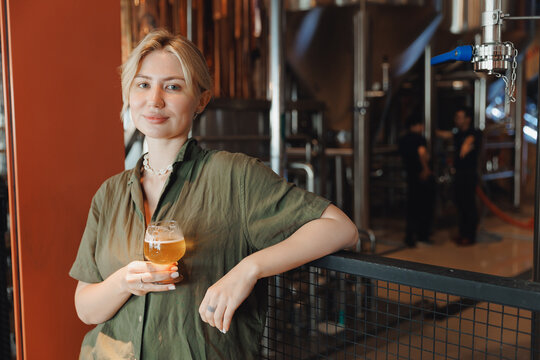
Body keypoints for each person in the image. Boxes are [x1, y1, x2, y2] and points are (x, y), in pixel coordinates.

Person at [69, 29, 358, 360]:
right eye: (143, 84)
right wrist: (123, 281)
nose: (155, 100)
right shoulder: (110, 193)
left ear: (201, 100)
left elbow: (341, 228)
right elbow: (86, 310)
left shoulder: (234, 175)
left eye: (173, 86)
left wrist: (249, 269)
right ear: (128, 94)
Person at [437, 107, 482, 245]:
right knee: (460, 204)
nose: (457, 119)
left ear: (468, 119)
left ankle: (470, 236)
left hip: (469, 174)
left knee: (469, 205)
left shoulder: (474, 132)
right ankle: (462, 233)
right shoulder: (457, 133)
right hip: (459, 174)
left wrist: (467, 144)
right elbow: (446, 135)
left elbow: (472, 138)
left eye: (460, 117)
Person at [398, 115, 435, 247]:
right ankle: (422, 236)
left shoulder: (403, 140)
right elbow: (422, 152)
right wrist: (426, 169)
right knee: (424, 207)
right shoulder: (419, 139)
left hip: (410, 177)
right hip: (421, 177)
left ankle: (409, 237)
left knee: (411, 208)